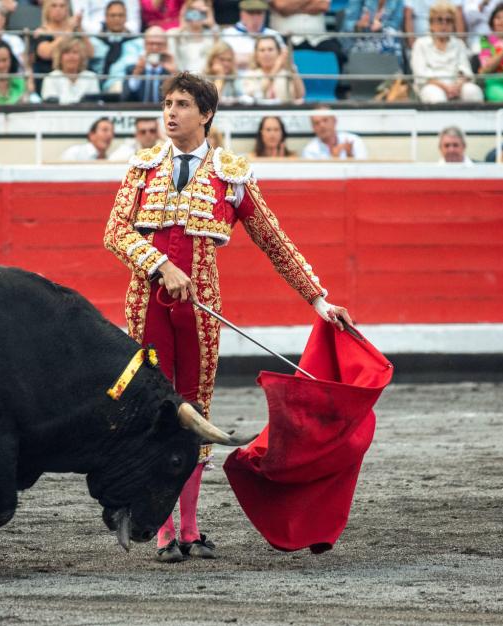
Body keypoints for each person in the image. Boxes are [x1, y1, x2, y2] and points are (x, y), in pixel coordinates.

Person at [103, 71, 351, 563]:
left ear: (206, 113)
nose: (170, 113)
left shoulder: (231, 175)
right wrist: (161, 264)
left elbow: (274, 242)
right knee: (155, 409)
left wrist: (318, 299)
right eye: (167, 103)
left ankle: (191, 529)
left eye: (181, 105)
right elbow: (114, 233)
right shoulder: (142, 166)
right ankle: (163, 531)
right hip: (146, 301)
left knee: (196, 409)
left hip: (200, 308)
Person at [411, 1, 484, 103]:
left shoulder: (459, 44)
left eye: (448, 20)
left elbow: (465, 71)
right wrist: (445, 87)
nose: (444, 24)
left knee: (473, 91)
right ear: (431, 24)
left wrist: (457, 86)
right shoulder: (420, 44)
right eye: (439, 20)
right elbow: (421, 75)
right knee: (436, 96)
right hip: (431, 85)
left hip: (456, 84)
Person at [30, 0, 92, 93]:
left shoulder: (74, 30)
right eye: (54, 6)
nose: (58, 9)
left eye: (62, 6)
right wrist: (68, 31)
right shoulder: (40, 32)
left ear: (67, 9)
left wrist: (79, 28)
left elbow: (90, 53)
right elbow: (46, 53)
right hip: (48, 80)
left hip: (76, 80)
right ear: (47, 9)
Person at [269, 0, 344, 72]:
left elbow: (323, 5)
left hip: (318, 38)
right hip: (284, 37)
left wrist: (291, 8)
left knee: (337, 56)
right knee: (270, 53)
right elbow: (282, 6)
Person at [89, 0, 143, 93]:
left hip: (129, 87)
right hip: (98, 87)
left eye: (120, 15)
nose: (117, 19)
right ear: (105, 17)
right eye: (113, 15)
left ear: (126, 18)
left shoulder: (137, 42)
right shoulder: (94, 41)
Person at [220, 0, 283, 71]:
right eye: (251, 13)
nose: (255, 18)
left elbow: (284, 59)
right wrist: (265, 58)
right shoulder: (228, 34)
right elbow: (223, 62)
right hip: (237, 80)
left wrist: (242, 58)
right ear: (242, 13)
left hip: (267, 78)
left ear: (265, 14)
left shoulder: (273, 34)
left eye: (259, 13)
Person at [475, 3, 503, 102]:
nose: (502, 21)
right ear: (492, 23)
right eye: (498, 17)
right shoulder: (486, 40)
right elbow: (486, 69)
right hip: (495, 84)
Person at [240, 34, 304, 103]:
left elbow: (299, 95)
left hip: (284, 110)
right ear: (256, 55)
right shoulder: (250, 75)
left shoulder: (286, 72)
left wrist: (292, 69)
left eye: (270, 50)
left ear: (278, 52)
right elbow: (256, 94)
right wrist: (277, 66)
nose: (266, 53)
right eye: (262, 50)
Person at [122, 26, 175, 101]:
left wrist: (174, 73)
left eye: (159, 44)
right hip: (139, 111)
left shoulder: (171, 70)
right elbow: (125, 98)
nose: (155, 48)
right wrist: (137, 73)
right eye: (151, 43)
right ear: (144, 45)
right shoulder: (132, 69)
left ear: (166, 45)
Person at [41, 35, 100, 102]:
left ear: (81, 57)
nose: (71, 56)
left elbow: (94, 103)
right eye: (67, 53)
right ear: (60, 57)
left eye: (75, 52)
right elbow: (49, 104)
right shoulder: (51, 77)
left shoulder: (91, 77)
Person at [167, 0, 218, 73]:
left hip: (205, 79)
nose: (196, 14)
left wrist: (212, 24)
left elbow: (220, 50)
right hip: (184, 79)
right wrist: (182, 23)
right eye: (193, 10)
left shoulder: (212, 34)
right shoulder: (176, 34)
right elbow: (172, 51)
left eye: (200, 11)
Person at [301, 106, 368, 159]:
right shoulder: (310, 151)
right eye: (316, 123)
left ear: (335, 121)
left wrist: (349, 156)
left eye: (325, 120)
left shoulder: (354, 140)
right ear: (313, 128)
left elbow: (363, 171)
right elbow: (315, 175)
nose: (322, 125)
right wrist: (334, 159)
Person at [74, 0, 143, 32]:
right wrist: (103, 29)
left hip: (125, 33)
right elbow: (81, 20)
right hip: (93, 35)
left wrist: (118, 29)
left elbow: (134, 25)